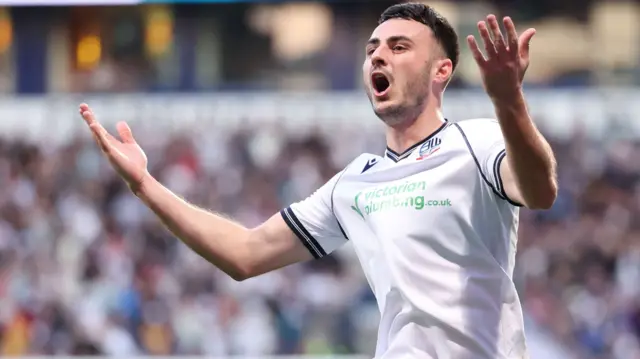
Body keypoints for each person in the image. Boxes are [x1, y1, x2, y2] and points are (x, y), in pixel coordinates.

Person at [79, 3, 557, 358]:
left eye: (399, 46)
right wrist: (145, 185)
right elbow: (245, 254)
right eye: (372, 49)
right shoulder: (354, 184)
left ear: (442, 71)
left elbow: (540, 191)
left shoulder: (478, 142)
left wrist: (509, 100)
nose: (378, 57)